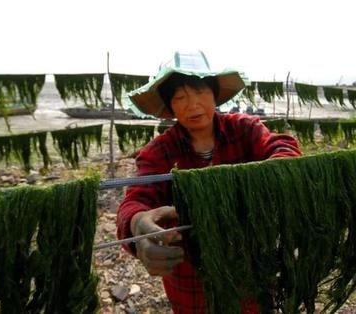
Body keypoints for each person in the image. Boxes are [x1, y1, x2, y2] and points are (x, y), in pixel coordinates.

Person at [117, 51, 301, 313]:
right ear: (170, 107)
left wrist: (274, 174)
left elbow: (280, 145)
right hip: (190, 282)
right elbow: (135, 201)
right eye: (180, 98)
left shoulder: (244, 130)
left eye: (200, 93)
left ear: (215, 95)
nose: (192, 105)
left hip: (251, 271)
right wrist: (137, 225)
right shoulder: (159, 153)